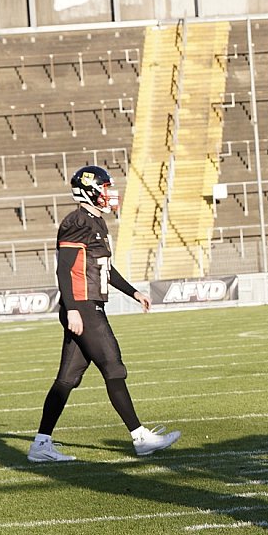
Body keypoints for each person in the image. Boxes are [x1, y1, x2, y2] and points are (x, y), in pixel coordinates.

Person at [27, 165, 181, 463]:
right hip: (83, 307)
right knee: (113, 367)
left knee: (67, 379)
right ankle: (140, 437)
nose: (110, 194)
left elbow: (105, 269)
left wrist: (134, 292)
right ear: (89, 191)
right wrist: (72, 308)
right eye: (105, 188)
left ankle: (41, 444)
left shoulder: (96, 222)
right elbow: (63, 269)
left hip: (87, 305)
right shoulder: (77, 222)